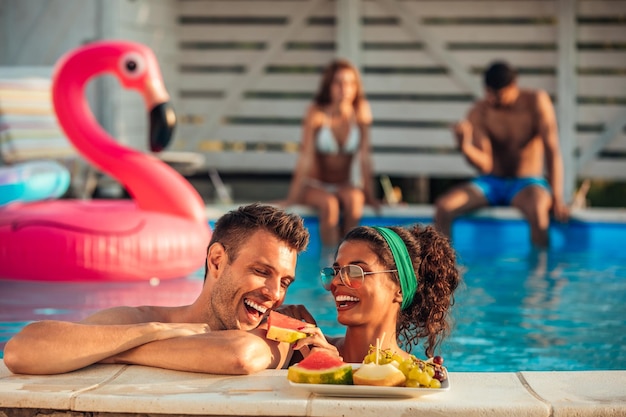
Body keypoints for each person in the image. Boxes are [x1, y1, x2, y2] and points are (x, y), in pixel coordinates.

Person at [3, 203, 312, 375]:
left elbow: (239, 356)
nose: (275, 293)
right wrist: (151, 330)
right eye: (261, 272)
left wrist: (108, 352)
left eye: (285, 281)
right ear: (217, 261)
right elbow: (21, 350)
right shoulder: (147, 321)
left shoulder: (279, 331)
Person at [434, 61, 569, 247]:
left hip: (527, 183)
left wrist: (557, 197)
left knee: (538, 211)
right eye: (488, 93)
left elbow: (552, 150)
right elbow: (485, 164)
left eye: (497, 95)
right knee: (444, 207)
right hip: (491, 183)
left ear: (513, 86)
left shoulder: (536, 102)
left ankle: (541, 273)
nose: (491, 99)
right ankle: (443, 270)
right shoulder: (479, 111)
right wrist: (465, 146)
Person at [282, 224, 460, 363]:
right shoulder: (304, 349)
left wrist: (336, 370)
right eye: (335, 272)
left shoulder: (418, 375)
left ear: (399, 288)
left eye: (355, 272)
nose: (336, 282)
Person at [280, 59, 380, 251]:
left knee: (355, 200)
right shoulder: (317, 113)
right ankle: (328, 261)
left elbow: (365, 157)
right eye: (339, 83)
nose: (345, 89)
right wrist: (291, 198)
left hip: (343, 184)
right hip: (315, 185)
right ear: (329, 86)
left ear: (356, 87)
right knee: (330, 205)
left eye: (350, 83)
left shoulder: (360, 112)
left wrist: (370, 195)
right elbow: (306, 157)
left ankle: (349, 255)